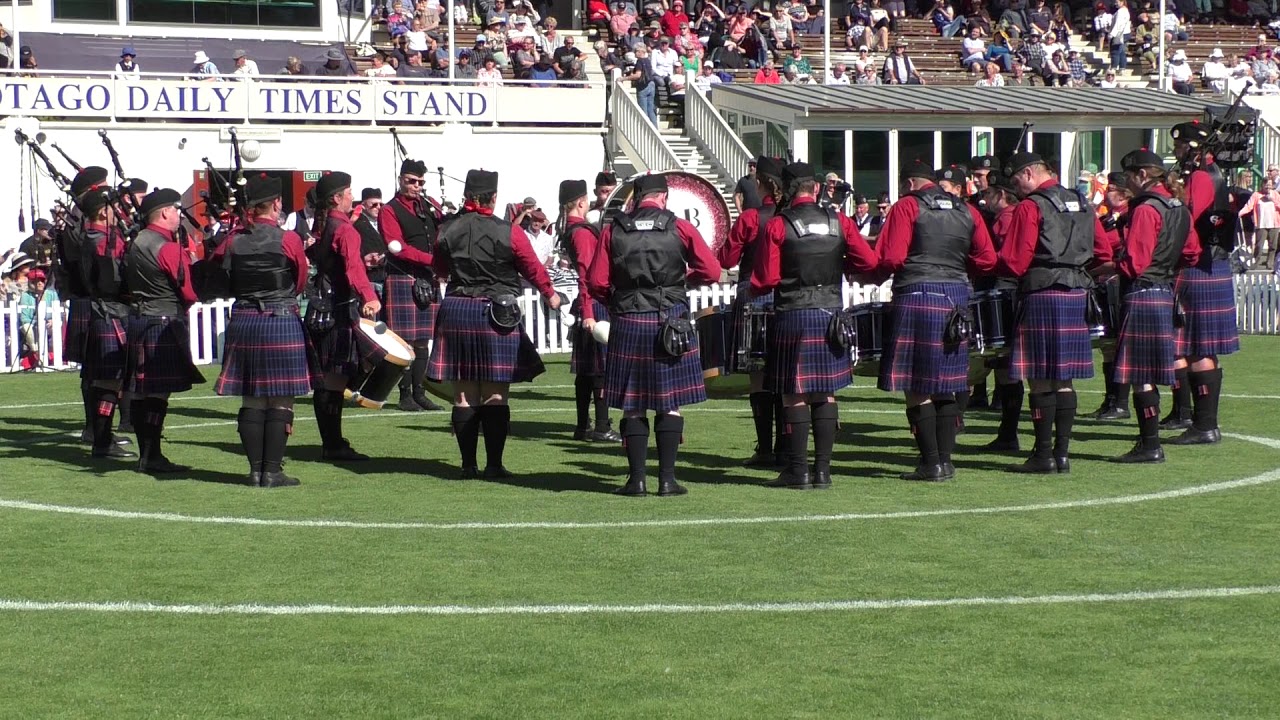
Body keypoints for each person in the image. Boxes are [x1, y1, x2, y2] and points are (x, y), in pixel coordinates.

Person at [413, 170, 560, 478]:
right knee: (495, 393)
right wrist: (550, 294)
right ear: (493, 197)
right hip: (496, 312)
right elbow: (532, 267)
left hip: (457, 309)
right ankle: (494, 465)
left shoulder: (446, 228)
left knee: (464, 393)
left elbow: (439, 268)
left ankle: (468, 465)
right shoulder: (509, 231)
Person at [586, 173, 721, 496]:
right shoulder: (679, 227)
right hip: (669, 320)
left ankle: (636, 480)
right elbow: (713, 271)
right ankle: (667, 479)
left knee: (633, 404)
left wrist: (620, 300)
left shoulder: (613, 230)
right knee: (670, 401)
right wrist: (682, 281)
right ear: (664, 198)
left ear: (634, 199)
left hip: (630, 320)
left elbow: (596, 283)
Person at [751, 162, 879, 489]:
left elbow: (766, 278)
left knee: (793, 394)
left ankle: (798, 472)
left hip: (793, 313)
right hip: (830, 313)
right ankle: (823, 472)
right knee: (825, 393)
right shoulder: (840, 221)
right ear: (817, 189)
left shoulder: (779, 225)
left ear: (788, 191)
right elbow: (869, 262)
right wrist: (840, 263)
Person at [877, 162, 997, 481]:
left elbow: (892, 257)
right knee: (948, 384)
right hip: (956, 295)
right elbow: (987, 259)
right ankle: (946, 462)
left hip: (917, 292)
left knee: (918, 385)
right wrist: (958, 266)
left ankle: (930, 463)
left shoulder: (907, 206)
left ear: (911, 183)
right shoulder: (967, 210)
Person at [997, 152, 1111, 473]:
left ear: (1030, 173)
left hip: (1042, 292)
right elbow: (1103, 252)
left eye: (1016, 180)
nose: (1015, 187)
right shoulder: (1082, 202)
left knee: (1039, 379)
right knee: (1064, 379)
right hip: (1077, 293)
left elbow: (1016, 260)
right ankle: (1062, 455)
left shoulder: (1031, 206)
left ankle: (1043, 455)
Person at [211, 174, 313, 488]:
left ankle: (255, 471)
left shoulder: (232, 239)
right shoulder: (289, 239)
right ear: (277, 204)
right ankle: (272, 471)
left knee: (252, 398)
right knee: (281, 399)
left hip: (243, 319)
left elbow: (217, 272)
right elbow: (300, 280)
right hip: (280, 317)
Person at [1105, 150, 1196, 463]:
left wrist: (1115, 264)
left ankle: (1149, 445)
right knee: (1151, 372)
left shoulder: (1145, 209)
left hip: (1142, 293)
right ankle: (1150, 443)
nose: (1128, 183)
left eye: (1130, 176)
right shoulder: (1178, 206)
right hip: (1165, 291)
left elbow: (1135, 263)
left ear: (1142, 175)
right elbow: (1193, 252)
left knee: (1140, 374)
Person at [1164, 121, 1239, 445]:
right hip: (1215, 264)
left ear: (1194, 147)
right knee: (1201, 348)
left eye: (1181, 146)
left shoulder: (1199, 177)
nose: (1177, 152)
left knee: (1197, 349)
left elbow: (1188, 220)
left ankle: (1204, 424)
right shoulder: (1216, 173)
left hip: (1199, 265)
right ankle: (1203, 421)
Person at [122, 189, 200, 474]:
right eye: (176, 210)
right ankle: (152, 456)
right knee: (158, 392)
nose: (179, 215)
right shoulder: (168, 247)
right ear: (165, 212)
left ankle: (146, 455)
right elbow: (188, 291)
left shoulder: (136, 242)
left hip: (140, 318)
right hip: (164, 320)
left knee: (144, 391)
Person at [308, 171, 382, 462]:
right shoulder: (346, 230)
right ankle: (333, 444)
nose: (353, 196)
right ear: (337, 198)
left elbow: (339, 264)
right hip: (339, 309)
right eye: (349, 191)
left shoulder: (327, 229)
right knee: (335, 381)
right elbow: (353, 270)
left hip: (320, 308)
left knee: (328, 379)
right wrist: (370, 297)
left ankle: (332, 441)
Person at [720, 156, 786, 467]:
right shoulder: (790, 217)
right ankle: (788, 446)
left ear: (759, 184)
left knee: (759, 376)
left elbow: (726, 258)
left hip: (755, 292)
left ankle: (765, 449)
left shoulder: (750, 218)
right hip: (789, 296)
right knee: (786, 374)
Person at [378, 158, 445, 412]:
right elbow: (398, 247)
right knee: (403, 341)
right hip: (402, 277)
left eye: (420, 182)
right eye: (411, 181)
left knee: (422, 340)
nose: (416, 186)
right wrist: (433, 260)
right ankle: (404, 395)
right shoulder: (389, 210)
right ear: (401, 180)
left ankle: (420, 393)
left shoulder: (429, 207)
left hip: (427, 277)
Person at [558, 179, 621, 443]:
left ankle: (584, 425)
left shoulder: (574, 228)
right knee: (598, 371)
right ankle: (601, 426)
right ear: (582, 202)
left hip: (589, 303)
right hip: (593, 303)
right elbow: (586, 275)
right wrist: (588, 312)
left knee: (587, 372)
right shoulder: (582, 232)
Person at [79, 187, 137, 460]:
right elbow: (115, 280)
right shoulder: (102, 241)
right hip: (111, 311)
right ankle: (102, 441)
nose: (119, 211)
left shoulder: (92, 237)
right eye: (114, 206)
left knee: (105, 382)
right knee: (109, 383)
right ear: (103, 211)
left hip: (102, 312)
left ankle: (102, 437)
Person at [1090, 171, 1133, 422]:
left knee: (1116, 346)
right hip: (1104, 283)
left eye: (1113, 189)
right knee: (1108, 346)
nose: (1108, 193)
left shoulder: (1128, 216)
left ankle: (1120, 402)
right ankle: (1110, 400)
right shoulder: (1107, 216)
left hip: (1116, 281)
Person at [1238, 177, 1280, 270]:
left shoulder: (1276, 195)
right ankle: (1255, 263)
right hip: (1261, 224)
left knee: (1273, 245)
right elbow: (1249, 206)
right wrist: (1240, 213)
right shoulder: (1256, 195)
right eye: (1266, 185)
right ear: (1262, 185)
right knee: (1259, 245)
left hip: (1274, 224)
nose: (1268, 187)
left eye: (1269, 185)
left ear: (1272, 186)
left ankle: (1270, 263)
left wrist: (1273, 200)